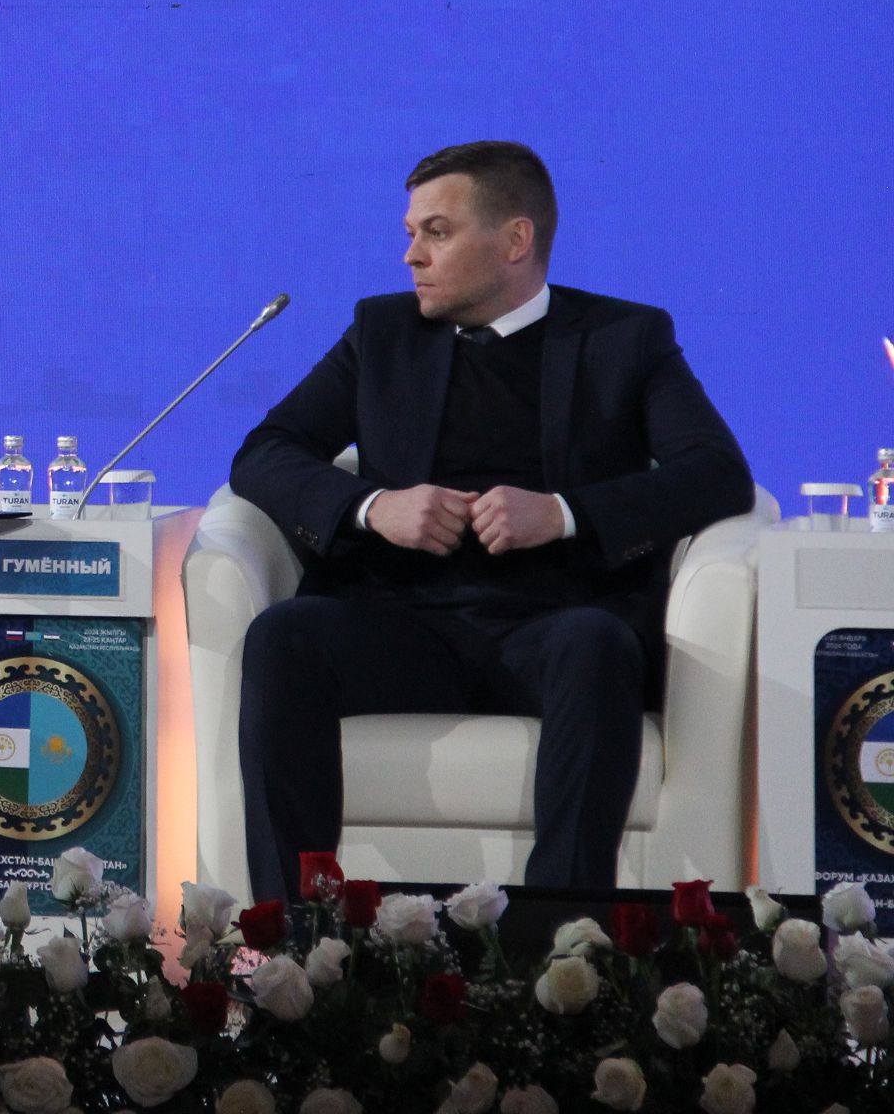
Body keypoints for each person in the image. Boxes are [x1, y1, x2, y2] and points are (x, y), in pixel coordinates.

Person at [230, 140, 754, 899]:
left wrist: (564, 514)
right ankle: (297, 929)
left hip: (553, 625)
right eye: (411, 232)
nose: (412, 255)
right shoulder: (382, 333)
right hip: (402, 622)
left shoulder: (624, 339)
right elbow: (266, 452)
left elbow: (717, 472)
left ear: (515, 240)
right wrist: (375, 507)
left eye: (436, 233)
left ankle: (562, 931)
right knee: (283, 636)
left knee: (597, 644)